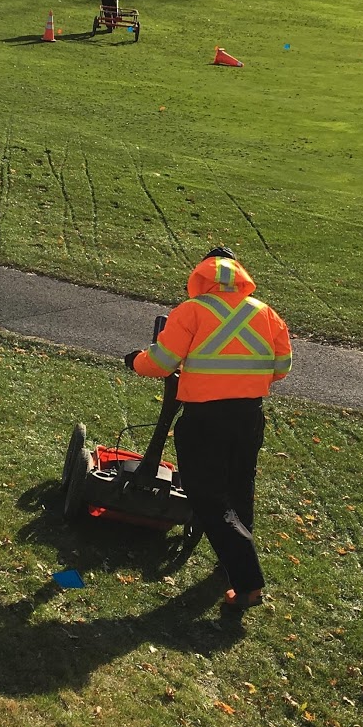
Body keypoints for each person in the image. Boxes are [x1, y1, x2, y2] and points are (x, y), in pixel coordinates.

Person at [124, 248, 292, 612]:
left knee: (207, 499)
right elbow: (281, 368)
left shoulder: (192, 311)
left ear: (201, 277)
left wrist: (134, 361)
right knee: (239, 488)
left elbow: (163, 362)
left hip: (205, 420)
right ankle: (231, 567)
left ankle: (249, 584)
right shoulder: (267, 315)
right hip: (249, 416)